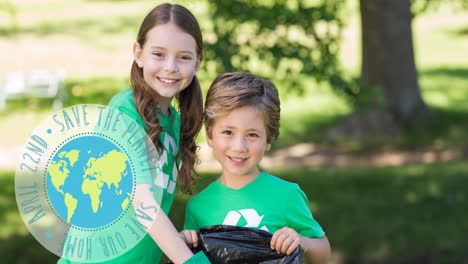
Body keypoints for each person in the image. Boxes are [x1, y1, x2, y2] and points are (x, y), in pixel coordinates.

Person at [58, 3, 210, 264]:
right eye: (159, 54)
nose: (171, 66)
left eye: (183, 57)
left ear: (198, 62)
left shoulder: (174, 123)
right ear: (138, 54)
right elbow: (141, 201)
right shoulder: (123, 113)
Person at [181, 72, 331, 263]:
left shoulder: (286, 195)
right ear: (210, 135)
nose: (239, 147)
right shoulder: (198, 206)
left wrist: (302, 242)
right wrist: (184, 241)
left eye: (252, 135)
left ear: (268, 140)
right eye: (228, 132)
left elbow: (323, 253)